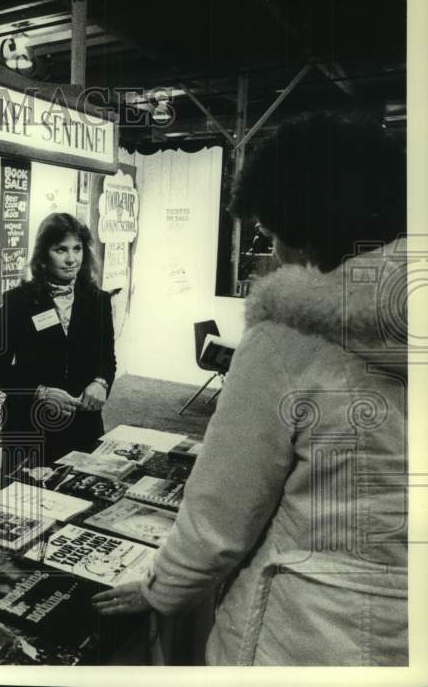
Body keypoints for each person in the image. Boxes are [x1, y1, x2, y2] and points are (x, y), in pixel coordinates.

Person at [93, 112, 408, 666]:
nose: (273, 255)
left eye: (272, 234)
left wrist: (159, 588)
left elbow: (220, 516)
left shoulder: (290, 334)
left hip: (304, 628)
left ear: (307, 228)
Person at [0, 212, 116, 478]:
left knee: (82, 503)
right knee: (22, 509)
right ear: (44, 254)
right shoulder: (17, 301)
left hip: (83, 425)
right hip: (29, 427)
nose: (71, 259)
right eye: (61, 250)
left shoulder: (98, 300)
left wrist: (101, 382)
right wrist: (40, 391)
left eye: (77, 249)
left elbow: (107, 359)